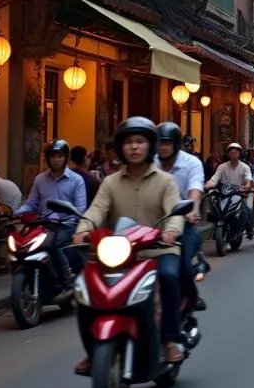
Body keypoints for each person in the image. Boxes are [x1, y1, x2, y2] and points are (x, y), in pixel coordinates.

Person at [73, 117, 185, 369]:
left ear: (150, 146)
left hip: (157, 250)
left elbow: (175, 212)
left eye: (140, 141)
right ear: (120, 148)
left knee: (168, 276)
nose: (134, 147)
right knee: (84, 287)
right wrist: (82, 230)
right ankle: (93, 350)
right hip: (119, 253)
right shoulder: (110, 182)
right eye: (128, 142)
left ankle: (170, 339)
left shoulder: (165, 181)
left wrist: (171, 231)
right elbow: (96, 210)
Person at [17, 140, 87, 289]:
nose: (56, 159)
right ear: (48, 158)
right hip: (43, 225)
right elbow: (31, 204)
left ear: (66, 158)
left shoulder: (77, 180)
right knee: (22, 244)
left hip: (67, 225)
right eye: (53, 156)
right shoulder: (39, 179)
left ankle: (66, 277)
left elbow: (80, 209)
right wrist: (14, 213)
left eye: (60, 156)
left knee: (53, 244)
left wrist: (71, 217)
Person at [157, 121, 206, 312]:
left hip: (183, 223)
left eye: (166, 143)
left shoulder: (192, 163)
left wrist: (191, 210)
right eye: (159, 143)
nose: (162, 147)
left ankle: (192, 298)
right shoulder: (149, 163)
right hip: (152, 225)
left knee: (183, 267)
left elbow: (195, 189)